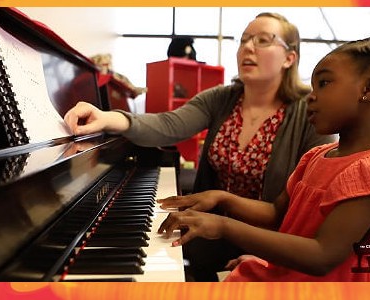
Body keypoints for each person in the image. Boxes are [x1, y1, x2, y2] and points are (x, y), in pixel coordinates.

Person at [64, 12, 333, 281]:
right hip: (212, 232)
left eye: (263, 40)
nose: (248, 47)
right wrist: (108, 117)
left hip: (272, 243)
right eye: (244, 40)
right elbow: (168, 125)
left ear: (289, 58)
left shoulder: (310, 112)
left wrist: (269, 260)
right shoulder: (222, 98)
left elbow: (307, 210)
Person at [157, 34, 370, 282]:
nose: (311, 96)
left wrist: (224, 226)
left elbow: (322, 256)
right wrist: (222, 197)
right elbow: (277, 213)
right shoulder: (316, 157)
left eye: (323, 83)